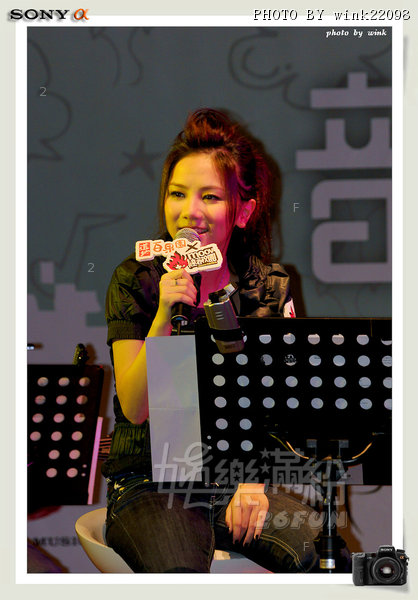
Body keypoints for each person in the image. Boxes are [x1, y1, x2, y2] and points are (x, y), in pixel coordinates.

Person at [102, 108, 321, 573]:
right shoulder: (136, 280)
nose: (191, 212)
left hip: (234, 479)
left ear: (243, 211)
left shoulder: (267, 287)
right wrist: (164, 317)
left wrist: (253, 482)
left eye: (211, 197)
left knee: (323, 554)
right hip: (150, 482)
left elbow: (279, 407)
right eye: (177, 193)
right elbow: (135, 408)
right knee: (181, 569)